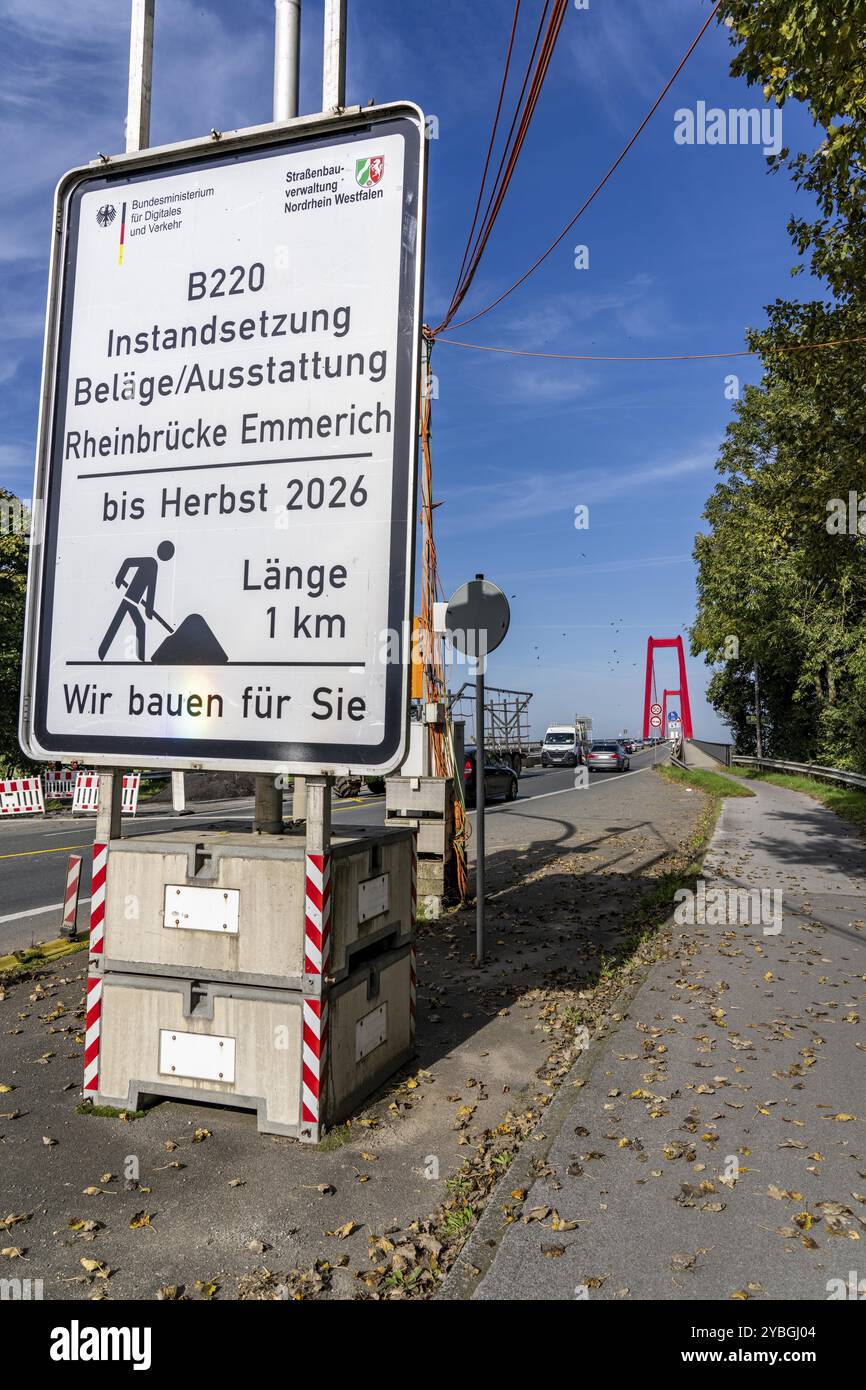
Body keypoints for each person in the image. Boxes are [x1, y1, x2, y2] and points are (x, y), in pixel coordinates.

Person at [98, 541, 174, 662]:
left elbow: (151, 589)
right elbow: (128, 562)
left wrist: (148, 608)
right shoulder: (150, 562)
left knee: (125, 623)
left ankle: (104, 652)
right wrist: (119, 578)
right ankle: (104, 652)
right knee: (130, 624)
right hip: (129, 600)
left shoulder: (153, 565)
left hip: (133, 602)